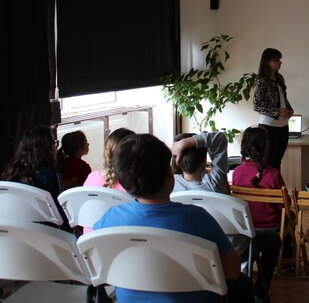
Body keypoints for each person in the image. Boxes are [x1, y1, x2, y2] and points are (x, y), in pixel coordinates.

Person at [93, 133, 251, 303]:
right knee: (243, 285)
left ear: (123, 180)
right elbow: (233, 271)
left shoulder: (109, 220)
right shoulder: (197, 218)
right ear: (169, 174)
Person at [231, 126, 283, 300]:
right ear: (266, 147)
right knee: (278, 236)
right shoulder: (274, 175)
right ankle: (262, 288)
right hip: (269, 226)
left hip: (244, 227)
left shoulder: (237, 173)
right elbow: (283, 206)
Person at [0, 125, 70, 231]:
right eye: (54, 144)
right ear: (48, 148)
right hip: (46, 236)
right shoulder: (51, 175)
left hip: (15, 234)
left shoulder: (10, 174)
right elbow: (59, 216)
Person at [253, 48, 293, 170]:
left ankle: (276, 187)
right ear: (267, 62)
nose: (280, 63)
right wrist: (277, 111)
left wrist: (290, 110)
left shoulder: (279, 78)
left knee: (277, 162)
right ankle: (270, 188)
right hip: (268, 126)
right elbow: (257, 105)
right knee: (268, 162)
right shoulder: (261, 80)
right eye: (276, 60)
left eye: (279, 60)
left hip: (283, 125)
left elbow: (283, 100)